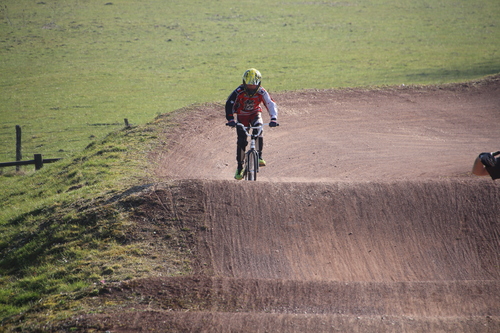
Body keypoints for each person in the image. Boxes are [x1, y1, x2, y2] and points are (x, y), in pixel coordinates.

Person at [225, 68, 279, 180]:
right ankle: (239, 167)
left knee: (259, 128)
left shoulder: (262, 92)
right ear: (244, 83)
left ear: (258, 84)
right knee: (241, 141)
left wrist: (273, 118)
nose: (251, 88)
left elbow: (270, 103)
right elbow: (229, 104)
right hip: (242, 116)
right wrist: (230, 119)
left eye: (253, 85)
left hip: (255, 113)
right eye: (249, 85)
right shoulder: (238, 91)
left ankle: (259, 156)